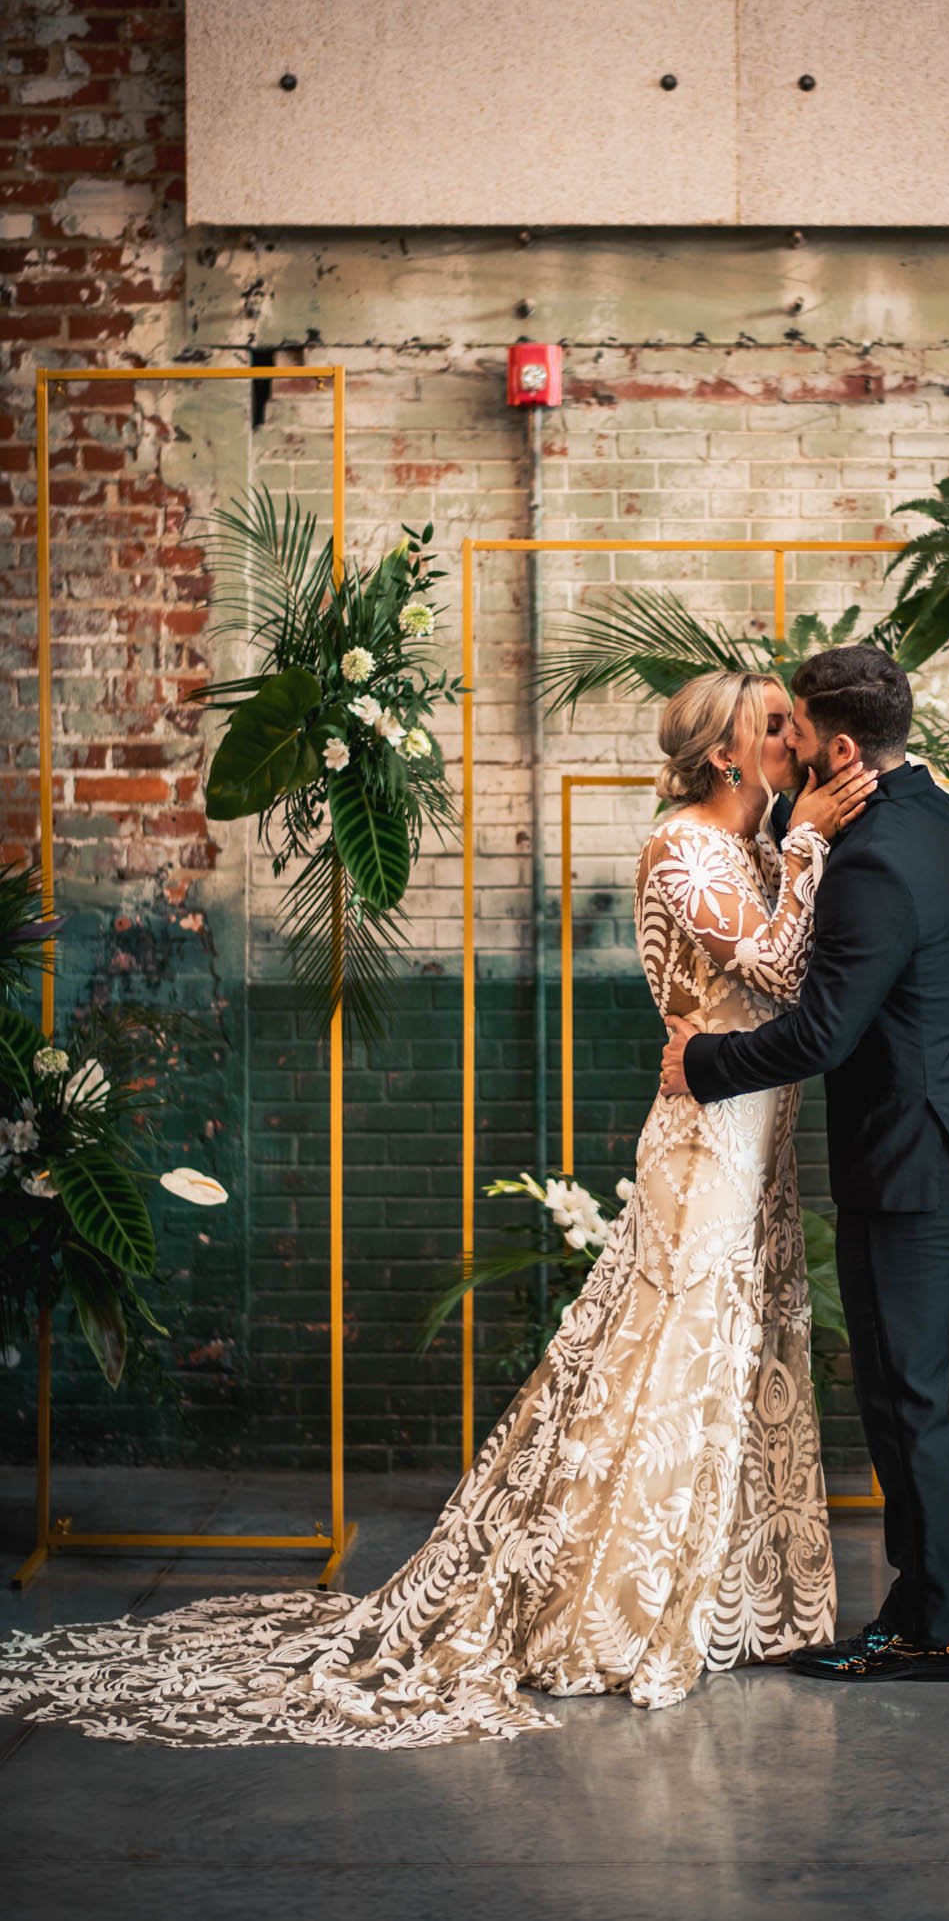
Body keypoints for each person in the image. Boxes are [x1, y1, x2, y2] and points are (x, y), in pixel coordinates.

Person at [0, 670, 873, 1748]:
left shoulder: (753, 844)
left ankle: (727, 1595)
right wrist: (812, 846)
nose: (796, 735)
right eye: (773, 723)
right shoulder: (685, 846)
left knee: (738, 1350)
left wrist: (797, 844)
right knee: (673, 1351)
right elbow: (782, 966)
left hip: (756, 1143)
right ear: (726, 753)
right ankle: (615, 1607)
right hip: (702, 1151)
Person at [661, 645, 949, 1682]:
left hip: (908, 1165)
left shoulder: (867, 860)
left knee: (905, 1394)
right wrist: (800, 832)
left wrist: (700, 1061)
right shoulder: (932, 815)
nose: (775, 742)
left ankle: (924, 1622)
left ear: (834, 746)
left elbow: (820, 1034)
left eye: (789, 730)